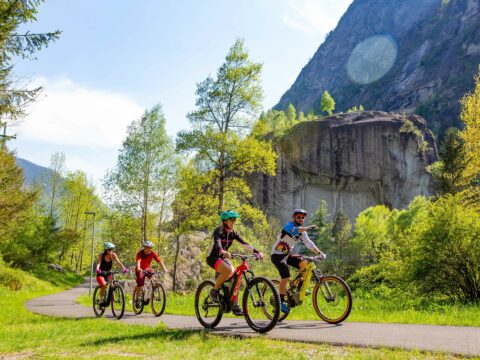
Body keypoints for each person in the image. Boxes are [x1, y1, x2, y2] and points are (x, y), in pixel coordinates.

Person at [206, 210, 264, 316]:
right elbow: (217, 242)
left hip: (224, 257)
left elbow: (244, 244)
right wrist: (222, 251)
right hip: (213, 257)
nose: (234, 222)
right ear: (225, 221)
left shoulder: (233, 233)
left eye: (235, 220)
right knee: (227, 270)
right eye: (231, 220)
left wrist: (257, 252)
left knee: (235, 275)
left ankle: (234, 304)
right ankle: (214, 291)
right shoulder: (218, 231)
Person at [271, 209, 326, 313]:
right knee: (285, 276)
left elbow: (309, 243)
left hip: (287, 254)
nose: (301, 219)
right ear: (293, 218)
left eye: (302, 218)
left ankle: (298, 288)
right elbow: (296, 230)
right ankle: (281, 301)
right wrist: (307, 228)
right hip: (277, 255)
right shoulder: (289, 226)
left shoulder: (302, 231)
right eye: (298, 217)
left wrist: (319, 252)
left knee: (305, 263)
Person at [95, 241, 129, 306]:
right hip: (101, 274)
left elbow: (119, 262)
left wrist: (124, 269)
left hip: (108, 273)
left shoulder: (113, 255)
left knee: (113, 284)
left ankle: (111, 298)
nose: (111, 251)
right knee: (104, 285)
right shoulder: (101, 255)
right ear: (106, 250)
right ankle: (101, 300)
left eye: (111, 249)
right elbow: (98, 263)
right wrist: (97, 269)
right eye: (109, 249)